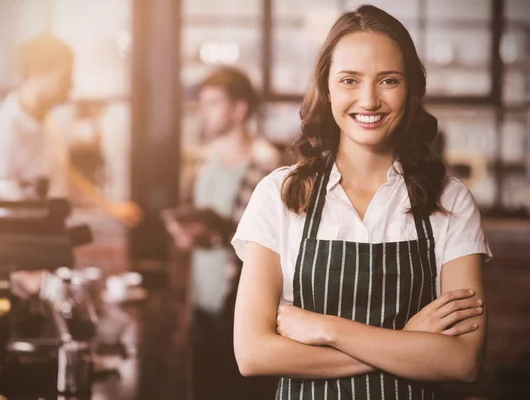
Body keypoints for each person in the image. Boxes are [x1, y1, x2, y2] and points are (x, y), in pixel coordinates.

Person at [231, 5, 491, 400]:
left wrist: (327, 330)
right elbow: (253, 354)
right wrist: (407, 342)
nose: (368, 100)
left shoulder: (450, 201)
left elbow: (462, 361)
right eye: (350, 80)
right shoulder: (279, 194)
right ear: (327, 88)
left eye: (388, 80)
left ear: (411, 89)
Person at [162, 67, 282, 400]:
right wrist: (185, 232)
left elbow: (264, 242)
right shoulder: (205, 161)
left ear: (240, 109)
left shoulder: (266, 165)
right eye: (203, 103)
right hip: (202, 305)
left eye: (214, 102)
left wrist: (213, 234)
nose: (204, 111)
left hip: (242, 308)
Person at [0, 33, 74, 199]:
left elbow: (63, 175)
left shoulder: (48, 125)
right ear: (36, 73)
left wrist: (110, 207)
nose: (71, 85)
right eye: (65, 77)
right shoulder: (1, 135)